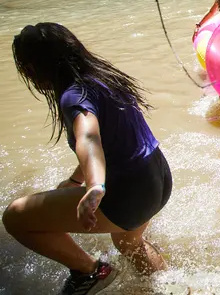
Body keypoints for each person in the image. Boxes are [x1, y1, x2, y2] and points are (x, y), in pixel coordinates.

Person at [3, 23, 172, 294]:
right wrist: (75, 180)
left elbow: (89, 138)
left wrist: (95, 186)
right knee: (129, 243)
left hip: (130, 191)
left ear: (34, 69)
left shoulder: (73, 96)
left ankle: (91, 271)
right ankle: (171, 287)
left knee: (15, 217)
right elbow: (109, 141)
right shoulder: (105, 78)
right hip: (157, 177)